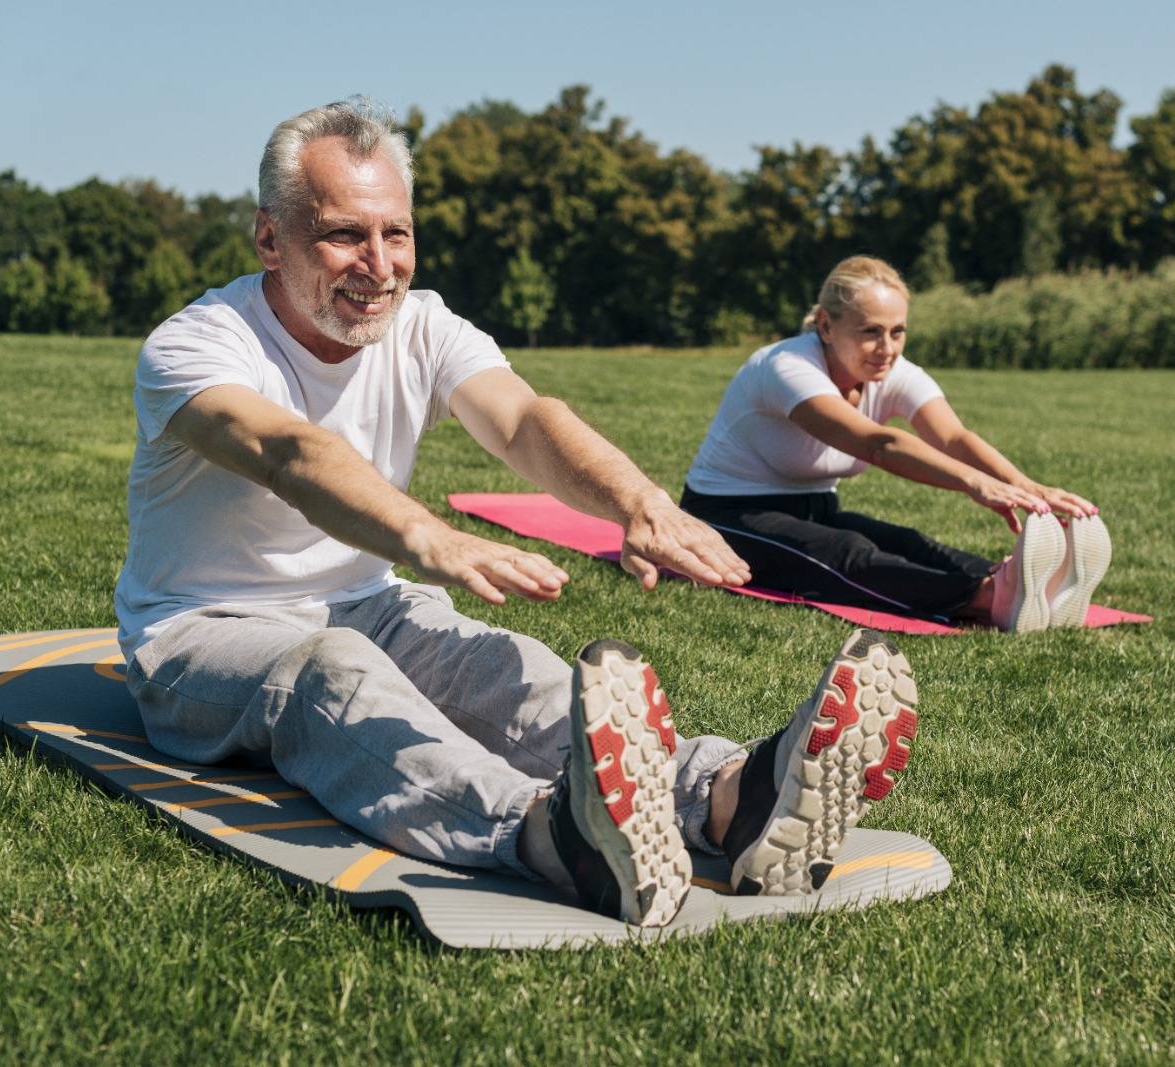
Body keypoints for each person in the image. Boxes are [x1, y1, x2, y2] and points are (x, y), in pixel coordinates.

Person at [113, 99, 919, 928]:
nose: (380, 264)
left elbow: (526, 419)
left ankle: (728, 800)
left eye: (397, 233)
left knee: (504, 669)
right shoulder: (197, 345)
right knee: (329, 676)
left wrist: (637, 503)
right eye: (344, 235)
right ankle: (549, 832)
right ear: (269, 238)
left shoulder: (421, 325)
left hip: (370, 605)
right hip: (201, 631)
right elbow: (289, 452)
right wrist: (426, 535)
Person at [680, 256, 1112, 634]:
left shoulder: (891, 371)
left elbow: (953, 437)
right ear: (827, 326)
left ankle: (1017, 582)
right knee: (846, 554)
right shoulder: (786, 367)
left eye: (898, 332)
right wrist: (973, 483)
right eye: (870, 331)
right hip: (725, 516)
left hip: (813, 508)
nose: (886, 348)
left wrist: (1028, 488)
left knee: (908, 542)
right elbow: (878, 444)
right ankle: (984, 598)